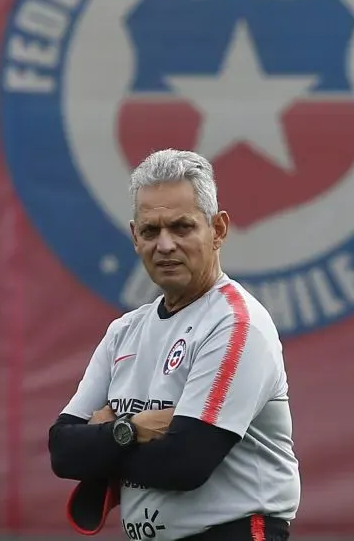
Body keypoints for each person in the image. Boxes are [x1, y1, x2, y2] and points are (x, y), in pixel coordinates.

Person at [48, 149, 299, 541]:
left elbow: (185, 465)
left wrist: (103, 441)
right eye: (151, 230)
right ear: (135, 237)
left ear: (217, 230)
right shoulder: (124, 331)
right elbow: (62, 450)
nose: (164, 245)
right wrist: (130, 430)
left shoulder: (234, 323)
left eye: (182, 227)